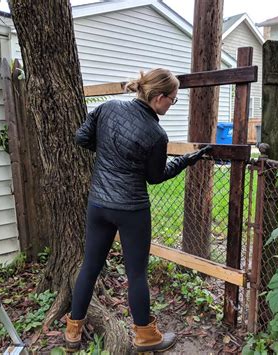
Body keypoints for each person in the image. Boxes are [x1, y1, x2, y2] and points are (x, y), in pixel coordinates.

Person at [64, 68, 212, 353]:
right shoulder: (156, 133)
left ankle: (73, 331)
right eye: (173, 99)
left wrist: (108, 152)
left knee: (89, 267)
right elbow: (155, 177)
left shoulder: (107, 108)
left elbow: (82, 138)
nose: (173, 103)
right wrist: (187, 160)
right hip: (131, 209)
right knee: (137, 275)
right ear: (158, 97)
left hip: (99, 204)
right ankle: (146, 337)